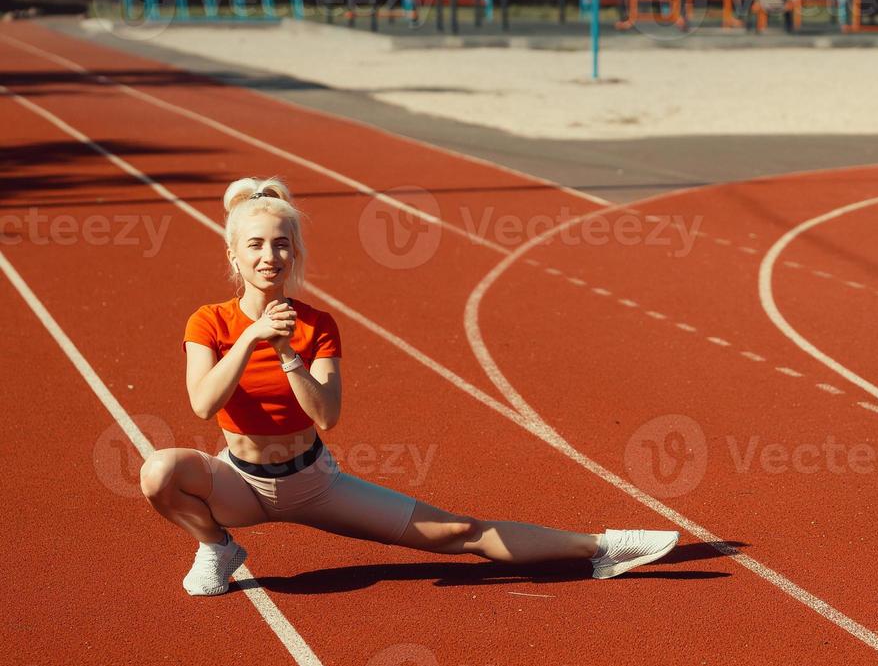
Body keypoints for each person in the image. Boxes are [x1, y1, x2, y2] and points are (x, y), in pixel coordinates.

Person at [140, 177, 678, 597]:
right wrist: (252, 338)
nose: (269, 257)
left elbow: (326, 416)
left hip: (312, 483)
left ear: (294, 253)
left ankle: (604, 546)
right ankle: (217, 548)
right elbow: (203, 403)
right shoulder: (208, 321)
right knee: (160, 471)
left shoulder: (317, 325)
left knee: (458, 533)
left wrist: (285, 353)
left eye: (281, 245)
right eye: (254, 245)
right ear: (234, 255)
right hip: (240, 485)